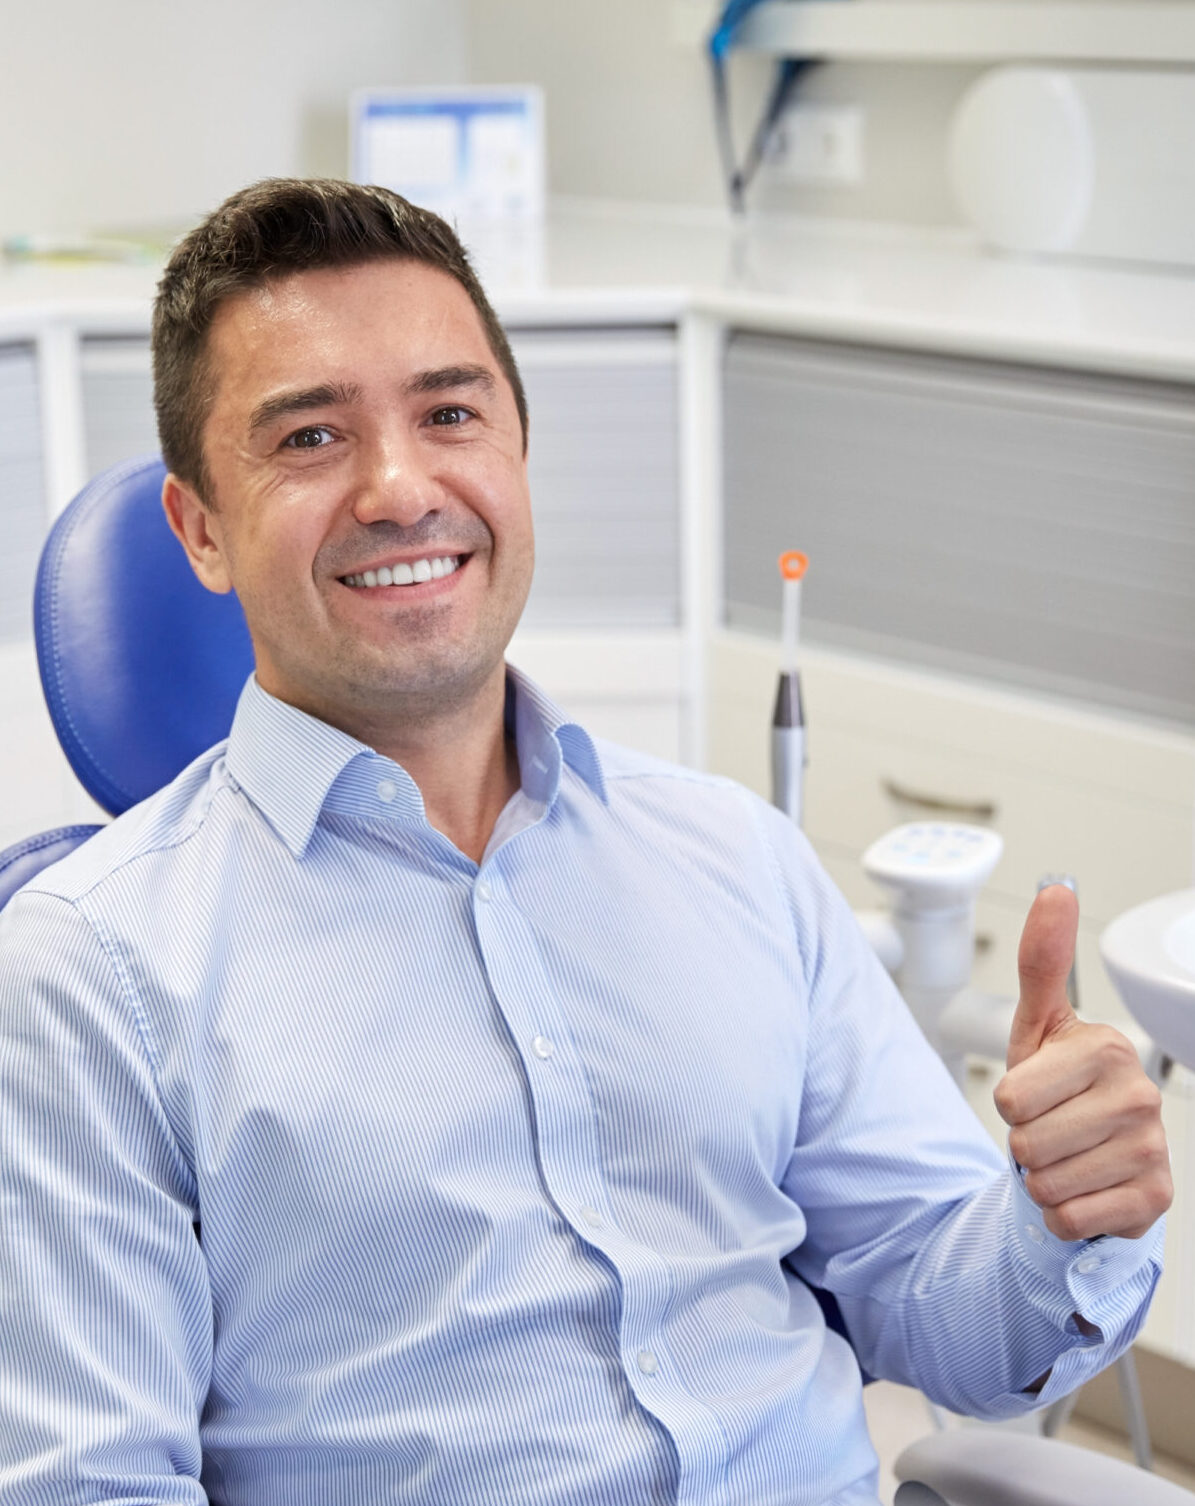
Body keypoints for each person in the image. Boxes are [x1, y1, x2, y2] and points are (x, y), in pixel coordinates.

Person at [0, 179, 1172, 1506]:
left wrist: (1059, 1218)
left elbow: (960, 1326)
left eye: (450, 415)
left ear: (516, 451)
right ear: (201, 527)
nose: (399, 487)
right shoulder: (89, 978)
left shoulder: (735, 856)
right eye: (313, 437)